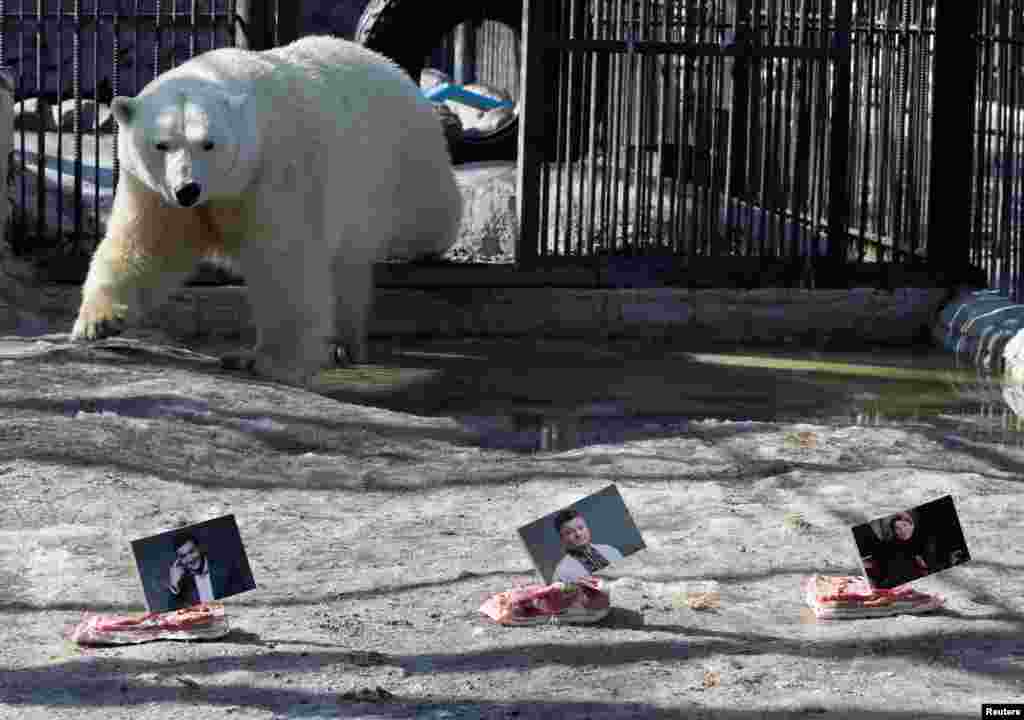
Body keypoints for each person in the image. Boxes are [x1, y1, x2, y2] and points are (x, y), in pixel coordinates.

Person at [167, 533, 248, 609]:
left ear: (199, 548)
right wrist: (174, 585)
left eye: (191, 551)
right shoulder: (182, 583)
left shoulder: (225, 568)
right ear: (178, 560)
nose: (190, 559)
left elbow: (243, 601)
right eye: (183, 556)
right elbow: (173, 616)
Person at [862, 512, 937, 589]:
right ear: (894, 531)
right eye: (897, 528)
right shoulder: (889, 544)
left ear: (912, 525)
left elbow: (928, 567)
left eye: (904, 525)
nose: (902, 530)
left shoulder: (925, 541)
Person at [552, 509, 623, 583]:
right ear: (562, 538)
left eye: (580, 528)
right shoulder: (561, 572)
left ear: (587, 528)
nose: (578, 534)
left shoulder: (611, 551)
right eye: (569, 532)